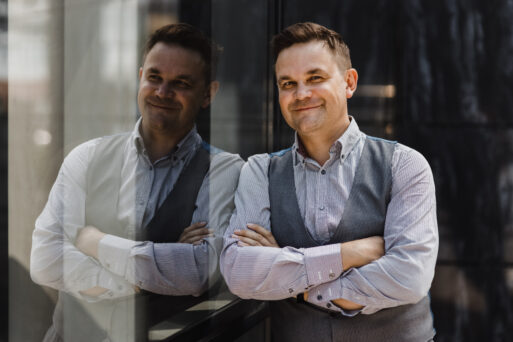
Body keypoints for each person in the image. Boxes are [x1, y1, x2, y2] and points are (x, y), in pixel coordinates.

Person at [221, 22, 438, 341]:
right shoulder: (259, 171)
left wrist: (293, 287)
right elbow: (240, 273)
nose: (301, 94)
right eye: (288, 83)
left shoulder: (404, 165)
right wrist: (351, 253)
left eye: (315, 78)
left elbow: (410, 277)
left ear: (349, 82)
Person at [31, 23, 243, 342]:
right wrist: (141, 277)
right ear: (140, 76)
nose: (162, 92)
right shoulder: (85, 157)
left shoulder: (224, 170)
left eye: (181, 83)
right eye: (154, 78)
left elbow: (199, 271)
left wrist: (94, 243)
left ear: (208, 94)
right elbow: (45, 258)